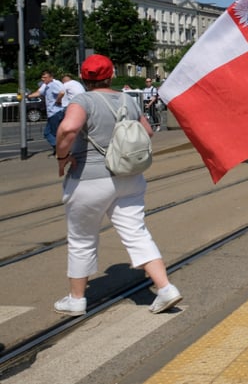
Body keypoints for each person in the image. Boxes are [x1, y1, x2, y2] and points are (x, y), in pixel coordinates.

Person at [53, 54, 181, 316]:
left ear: (83, 77)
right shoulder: (127, 100)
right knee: (137, 233)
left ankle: (76, 299)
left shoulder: (83, 100)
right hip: (129, 178)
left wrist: (62, 158)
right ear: (111, 75)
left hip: (89, 179)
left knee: (82, 239)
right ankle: (165, 288)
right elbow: (147, 132)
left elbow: (68, 129)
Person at [28, 70, 65, 151]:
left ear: (51, 77)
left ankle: (61, 150)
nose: (42, 79)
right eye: (42, 77)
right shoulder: (47, 85)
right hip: (53, 113)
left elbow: (62, 92)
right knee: (49, 133)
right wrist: (28, 96)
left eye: (45, 77)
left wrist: (58, 100)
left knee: (52, 133)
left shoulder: (53, 84)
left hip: (55, 112)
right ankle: (59, 149)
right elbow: (39, 93)